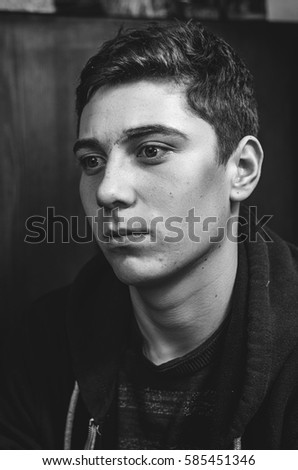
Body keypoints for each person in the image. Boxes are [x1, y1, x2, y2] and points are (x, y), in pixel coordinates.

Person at [1, 21, 298, 450]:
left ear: (242, 169)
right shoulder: (43, 342)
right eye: (92, 160)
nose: (107, 190)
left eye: (151, 150)